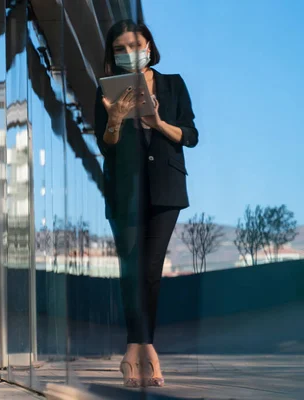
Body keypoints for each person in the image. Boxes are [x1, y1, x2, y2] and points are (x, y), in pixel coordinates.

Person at [94, 19, 198, 387]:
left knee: (150, 271)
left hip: (166, 187)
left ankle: (144, 348)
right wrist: (116, 118)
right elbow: (105, 145)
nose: (128, 54)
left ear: (150, 46)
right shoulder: (106, 91)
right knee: (131, 270)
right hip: (125, 191)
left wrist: (155, 121)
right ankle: (135, 351)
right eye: (119, 49)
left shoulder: (173, 83)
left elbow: (190, 135)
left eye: (134, 46)